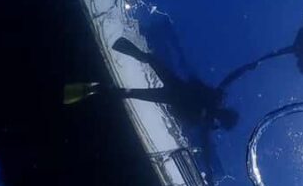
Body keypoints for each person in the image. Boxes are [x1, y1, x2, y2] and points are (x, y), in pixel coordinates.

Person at [64, 37, 239, 131]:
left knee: (133, 88)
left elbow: (188, 114)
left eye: (223, 119)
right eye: (224, 118)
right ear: (225, 116)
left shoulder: (209, 114)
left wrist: (198, 114)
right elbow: (226, 80)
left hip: (171, 93)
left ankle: (95, 88)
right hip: (174, 89)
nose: (220, 117)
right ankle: (95, 87)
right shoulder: (214, 103)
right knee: (141, 75)